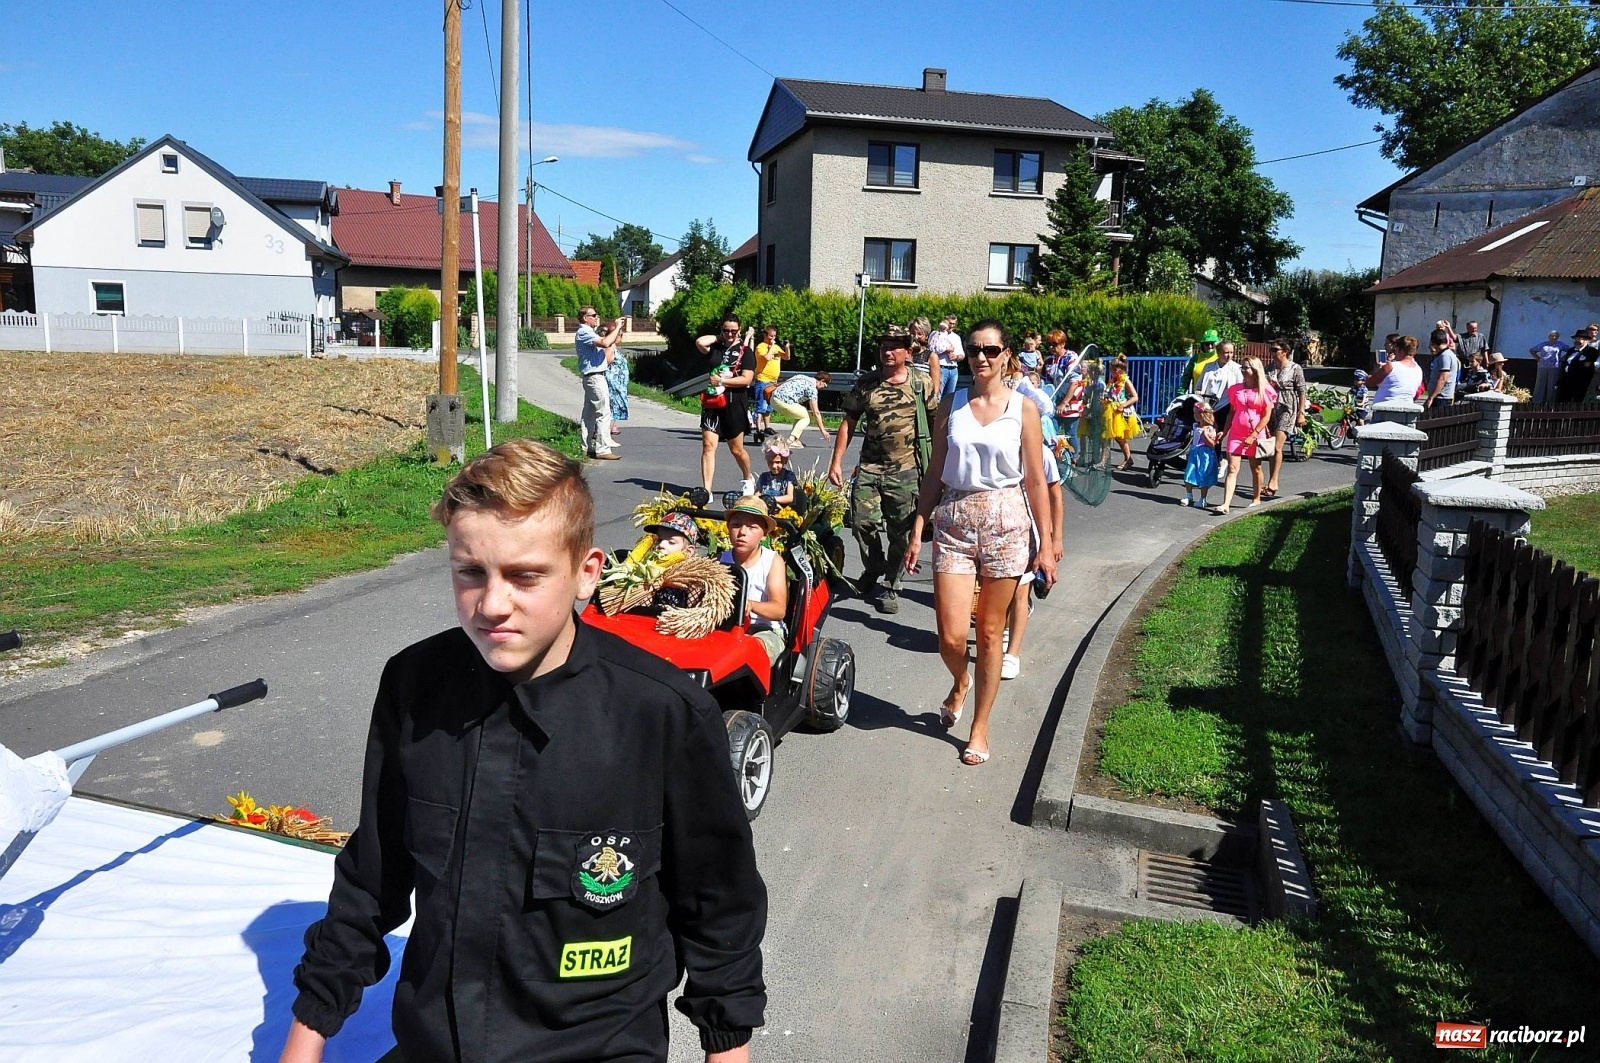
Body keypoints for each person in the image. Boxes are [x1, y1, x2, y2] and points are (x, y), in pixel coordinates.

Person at [278, 438, 766, 1063]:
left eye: (525, 576)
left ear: (587, 571)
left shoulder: (662, 713)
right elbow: (374, 875)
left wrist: (726, 1044)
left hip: (597, 1047)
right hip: (439, 1044)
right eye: (470, 572)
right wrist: (307, 1033)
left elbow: (717, 899)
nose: (491, 605)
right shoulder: (414, 687)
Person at [903, 321, 1058, 765]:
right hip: (954, 518)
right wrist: (919, 527)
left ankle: (980, 727)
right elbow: (935, 471)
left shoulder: (1023, 408)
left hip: (1007, 521)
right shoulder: (950, 404)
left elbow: (1034, 480)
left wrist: (1046, 544)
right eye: (974, 350)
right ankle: (960, 682)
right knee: (951, 637)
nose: (981, 358)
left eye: (991, 350)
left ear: (1007, 354)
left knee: (990, 633)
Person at [828, 325, 933, 615]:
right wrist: (836, 462)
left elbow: (937, 422)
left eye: (895, 347)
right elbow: (849, 421)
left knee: (902, 533)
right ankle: (873, 568)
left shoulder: (920, 383)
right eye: (884, 346)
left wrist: (938, 468)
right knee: (862, 524)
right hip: (870, 468)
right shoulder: (867, 384)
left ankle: (891, 584)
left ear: (908, 352)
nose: (888, 351)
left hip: (907, 471)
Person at [721, 496, 788, 666]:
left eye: (752, 527)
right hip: (728, 627)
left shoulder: (772, 561)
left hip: (765, 629)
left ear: (764, 533)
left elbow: (779, 610)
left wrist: (750, 605)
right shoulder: (721, 560)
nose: (742, 532)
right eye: (736, 525)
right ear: (728, 528)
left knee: (750, 651)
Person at [696, 316, 757, 498]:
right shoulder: (717, 348)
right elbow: (700, 342)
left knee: (736, 449)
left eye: (733, 331)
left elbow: (747, 379)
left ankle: (748, 477)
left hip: (734, 402)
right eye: (726, 330)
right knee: (708, 445)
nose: (730, 334)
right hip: (712, 402)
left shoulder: (745, 352)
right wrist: (719, 337)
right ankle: (707, 490)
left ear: (740, 331)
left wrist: (723, 380)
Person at [1212, 356, 1275, 515]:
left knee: (1256, 468)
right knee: (1232, 468)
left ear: (1255, 370)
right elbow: (1232, 412)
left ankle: (1256, 498)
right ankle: (1225, 504)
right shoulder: (1235, 389)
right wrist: (1225, 431)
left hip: (1255, 434)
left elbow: (1266, 416)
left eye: (1246, 367)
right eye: (1242, 367)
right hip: (1236, 433)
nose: (1243, 370)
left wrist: (1253, 435)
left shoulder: (1264, 390)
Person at [575, 305, 625, 461]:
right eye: (594, 315)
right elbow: (605, 342)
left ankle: (586, 446)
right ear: (585, 318)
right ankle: (602, 449)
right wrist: (617, 328)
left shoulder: (588, 332)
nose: (597, 318)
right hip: (594, 377)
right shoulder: (584, 332)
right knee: (604, 413)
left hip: (594, 376)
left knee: (589, 414)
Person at [1264, 337, 1306, 499]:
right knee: (1270, 447)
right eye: (1271, 350)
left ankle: (1273, 481)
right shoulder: (1270, 368)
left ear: (1285, 352)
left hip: (1287, 408)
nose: (1272, 353)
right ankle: (1269, 478)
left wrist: (1301, 413)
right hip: (1271, 407)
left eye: (1275, 350)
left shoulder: (1295, 369)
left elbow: (1302, 391)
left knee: (1277, 446)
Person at [770, 369, 832, 449]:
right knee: (806, 418)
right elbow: (816, 413)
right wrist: (823, 431)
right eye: (825, 383)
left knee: (800, 414)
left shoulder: (801, 376)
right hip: (783, 401)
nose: (826, 386)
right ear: (821, 381)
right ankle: (790, 441)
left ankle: (796, 439)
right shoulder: (812, 389)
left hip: (773, 398)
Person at [1198, 340, 1243, 441]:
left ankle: (1216, 456)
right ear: (1218, 353)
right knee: (1207, 433)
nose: (1229, 355)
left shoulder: (1236, 368)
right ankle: (1209, 456)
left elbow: (1240, 388)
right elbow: (1199, 385)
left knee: (1218, 435)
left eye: (1231, 352)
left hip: (1225, 405)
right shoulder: (1208, 366)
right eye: (1226, 352)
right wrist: (1198, 391)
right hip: (1208, 405)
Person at [1103, 355, 1141, 471]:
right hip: (1111, 412)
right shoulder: (1113, 381)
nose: (1110, 371)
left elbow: (1135, 397)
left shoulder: (1125, 381)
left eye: (1111, 369)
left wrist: (1123, 405)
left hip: (1121, 413)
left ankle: (1128, 459)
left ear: (1117, 370)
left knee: (1120, 438)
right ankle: (1104, 460)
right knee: (1107, 437)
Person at [1182, 401, 1220, 509]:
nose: (1194, 416)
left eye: (1196, 413)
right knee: (1189, 474)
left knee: (1204, 476)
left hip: (1205, 456)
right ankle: (1188, 495)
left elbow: (1212, 445)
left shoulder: (1210, 429)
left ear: (1202, 415)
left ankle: (1203, 499)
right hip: (1194, 454)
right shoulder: (1196, 426)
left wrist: (1205, 436)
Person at [753, 325, 789, 438]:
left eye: (774, 336)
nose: (772, 338)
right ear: (765, 335)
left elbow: (786, 357)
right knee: (761, 406)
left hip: (773, 381)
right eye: (770, 336)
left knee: (769, 406)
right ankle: (759, 429)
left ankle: (767, 427)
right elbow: (767, 358)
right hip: (763, 380)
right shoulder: (761, 347)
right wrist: (771, 347)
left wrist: (787, 347)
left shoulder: (776, 347)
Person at [1369, 334, 1424, 405]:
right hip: (1407, 406)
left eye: (1396, 349)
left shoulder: (1391, 366)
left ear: (1400, 350)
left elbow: (1371, 382)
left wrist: (1374, 371)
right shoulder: (1418, 369)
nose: (1395, 352)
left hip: (1385, 407)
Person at [1556, 327, 1599, 402]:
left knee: (1577, 402)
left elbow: (1588, 366)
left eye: (1580, 339)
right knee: (1562, 401)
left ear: (1587, 340)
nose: (1577, 341)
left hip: (1580, 381)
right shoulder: (1571, 350)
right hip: (1566, 380)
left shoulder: (1592, 351)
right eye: (1576, 339)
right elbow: (1565, 365)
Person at [928, 314, 962, 401]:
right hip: (941, 368)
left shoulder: (956, 337)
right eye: (950, 323)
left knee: (949, 398)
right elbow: (931, 350)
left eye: (954, 324)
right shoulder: (935, 334)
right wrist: (945, 350)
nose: (952, 326)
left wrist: (956, 357)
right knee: (937, 396)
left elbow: (962, 355)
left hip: (953, 369)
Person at [1424, 327, 1460, 409]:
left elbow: (1443, 378)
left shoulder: (1445, 356)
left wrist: (1431, 397)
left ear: (1433, 342)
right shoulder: (1441, 355)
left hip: (1441, 398)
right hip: (1439, 397)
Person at [756, 440, 798, 508]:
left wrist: (771, 499)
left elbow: (790, 497)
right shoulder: (763, 477)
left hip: (783, 511)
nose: (774, 466)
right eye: (770, 462)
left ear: (785, 461)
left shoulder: (788, 476)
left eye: (778, 462)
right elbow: (757, 495)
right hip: (765, 509)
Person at [606, 342, 631, 446]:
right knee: (612, 410)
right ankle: (606, 437)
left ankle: (607, 436)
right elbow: (607, 361)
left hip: (619, 385)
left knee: (614, 411)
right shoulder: (609, 347)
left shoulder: (613, 347)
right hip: (613, 385)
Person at [1531, 330, 1566, 403]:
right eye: (1551, 335)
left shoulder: (1560, 345)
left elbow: (1570, 351)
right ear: (1548, 336)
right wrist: (1537, 358)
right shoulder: (1544, 344)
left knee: (1552, 385)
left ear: (1557, 337)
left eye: (1555, 336)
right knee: (1540, 384)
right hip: (1542, 366)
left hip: (1554, 367)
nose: (1553, 337)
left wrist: (1563, 358)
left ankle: (1550, 402)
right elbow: (1532, 350)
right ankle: (1537, 401)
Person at [909, 316, 936, 393]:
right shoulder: (904, 353)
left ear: (926, 336)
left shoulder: (931, 356)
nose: (915, 337)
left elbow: (935, 386)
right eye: (912, 334)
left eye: (920, 334)